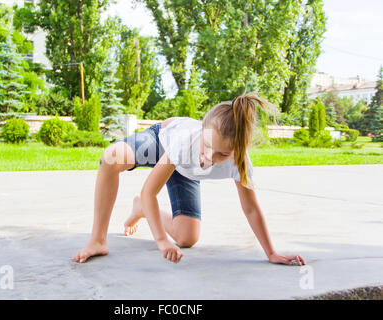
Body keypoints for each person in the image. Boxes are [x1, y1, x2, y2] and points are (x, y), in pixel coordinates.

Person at [72, 93, 306, 266]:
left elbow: (251, 209)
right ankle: (98, 240)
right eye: (208, 146)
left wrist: (271, 253)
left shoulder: (241, 163)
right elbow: (149, 191)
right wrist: (161, 240)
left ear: (238, 150)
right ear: (202, 130)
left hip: (184, 169)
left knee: (187, 238)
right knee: (111, 158)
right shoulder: (186, 141)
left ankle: (141, 209)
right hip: (162, 142)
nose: (210, 158)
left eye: (222, 154)